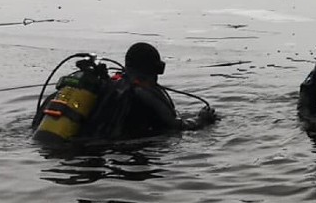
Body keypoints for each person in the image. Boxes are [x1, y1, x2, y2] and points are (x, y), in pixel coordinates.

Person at [32, 42, 218, 144]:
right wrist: (203, 119)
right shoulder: (142, 92)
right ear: (156, 69)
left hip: (58, 144)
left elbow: (37, 120)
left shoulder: (102, 85)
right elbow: (177, 127)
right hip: (100, 150)